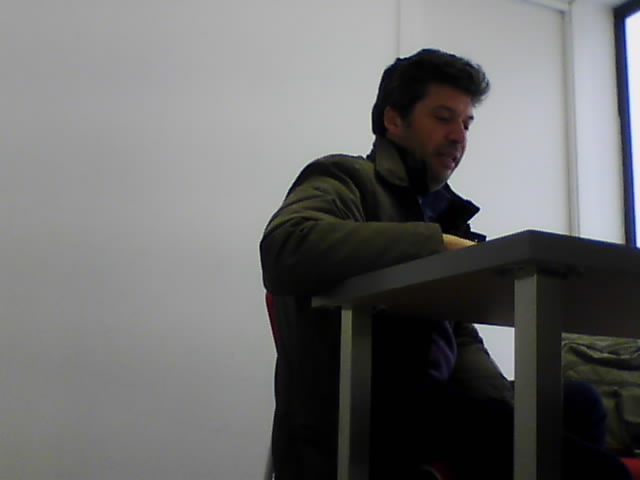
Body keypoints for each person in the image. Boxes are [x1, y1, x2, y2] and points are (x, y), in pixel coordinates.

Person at [259, 49, 631, 480]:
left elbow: (459, 337)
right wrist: (437, 243)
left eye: (466, 123)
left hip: (436, 403)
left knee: (577, 402)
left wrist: (505, 406)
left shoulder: (442, 212)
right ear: (393, 120)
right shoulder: (345, 178)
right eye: (442, 118)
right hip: (371, 408)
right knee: (604, 473)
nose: (458, 136)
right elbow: (285, 245)